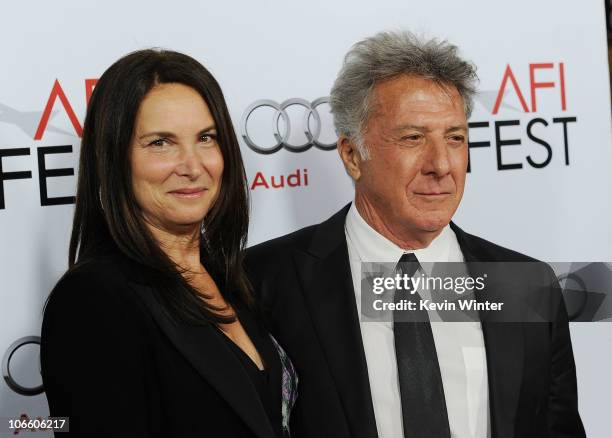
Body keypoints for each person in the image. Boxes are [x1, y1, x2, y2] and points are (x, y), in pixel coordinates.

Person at [245, 31, 585, 438]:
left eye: (455, 138)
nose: (441, 164)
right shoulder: (265, 281)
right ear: (353, 155)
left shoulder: (526, 285)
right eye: (413, 138)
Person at [41, 49, 297, 438]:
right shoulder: (92, 299)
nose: (192, 166)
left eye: (206, 138)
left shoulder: (231, 278)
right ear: (114, 160)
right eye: (161, 143)